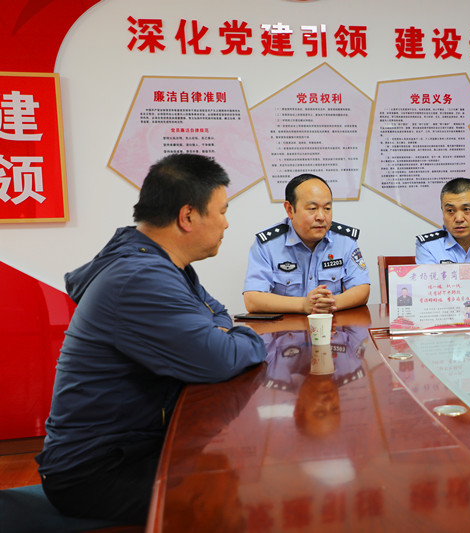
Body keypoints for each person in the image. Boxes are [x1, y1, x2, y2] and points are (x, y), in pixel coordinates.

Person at [35, 154, 267, 525]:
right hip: (96, 470)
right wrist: (248, 336)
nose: (226, 222)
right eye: (222, 211)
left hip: (133, 446)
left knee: (235, 469)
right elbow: (218, 358)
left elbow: (217, 312)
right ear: (187, 216)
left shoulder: (163, 264)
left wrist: (220, 333)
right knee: (232, 494)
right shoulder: (140, 277)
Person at [243, 173, 370, 314]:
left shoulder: (344, 240)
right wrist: (303, 304)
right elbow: (252, 299)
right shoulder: (268, 245)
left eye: (327, 208)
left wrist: (331, 303)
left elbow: (362, 288)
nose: (321, 217)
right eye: (312, 208)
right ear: (290, 210)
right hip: (286, 327)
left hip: (331, 326)